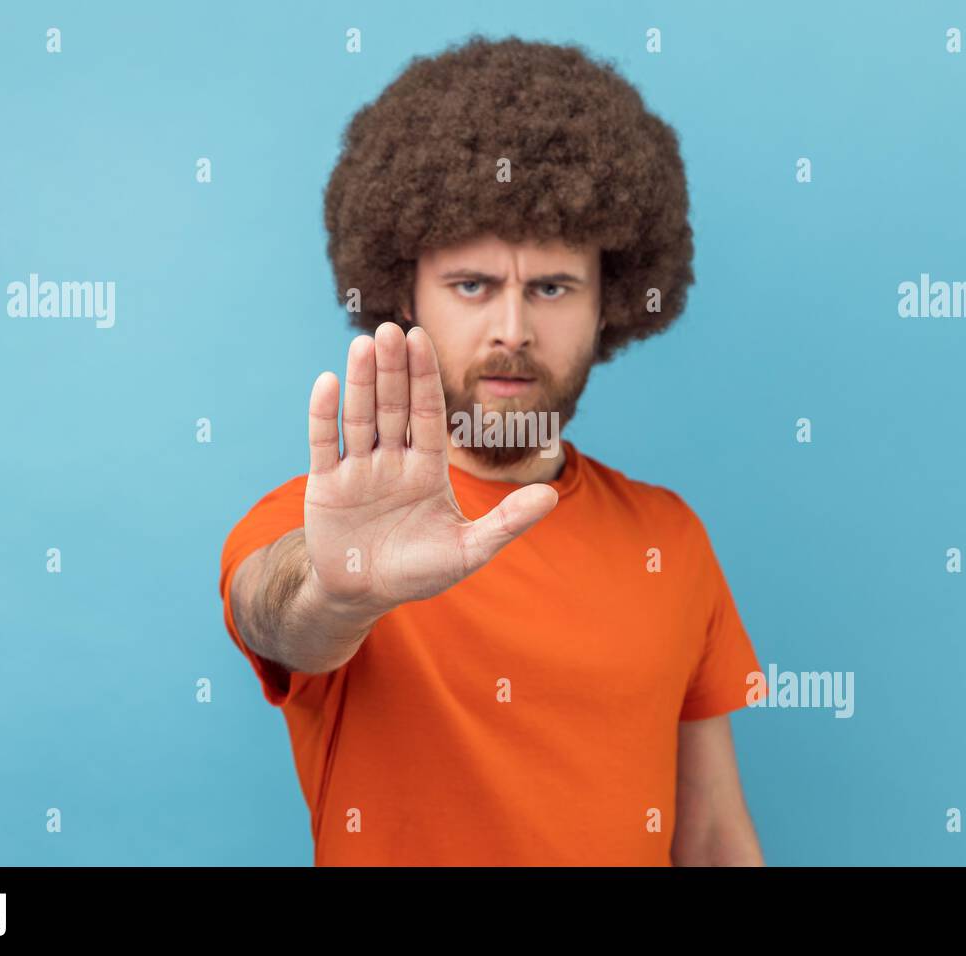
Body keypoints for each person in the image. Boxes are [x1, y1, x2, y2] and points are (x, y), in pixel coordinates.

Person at [219, 34, 766, 866]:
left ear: (609, 302)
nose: (512, 329)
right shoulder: (322, 527)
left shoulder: (670, 539)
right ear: (407, 294)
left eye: (551, 288)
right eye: (472, 285)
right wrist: (340, 593)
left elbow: (715, 834)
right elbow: (280, 612)